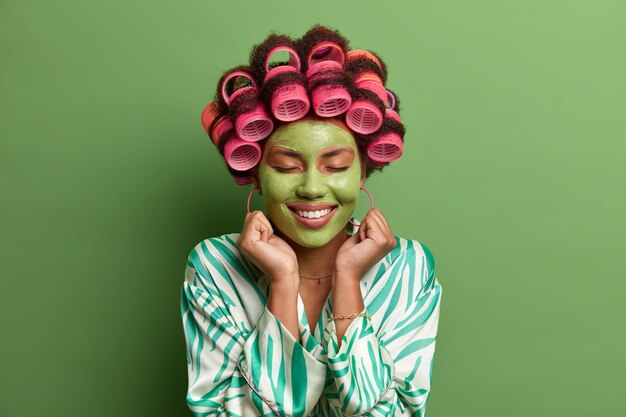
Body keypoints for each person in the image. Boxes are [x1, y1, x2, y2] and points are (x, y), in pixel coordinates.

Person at [180, 25, 443, 417]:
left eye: (336, 165)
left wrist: (348, 282)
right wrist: (283, 285)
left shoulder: (407, 268)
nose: (311, 188)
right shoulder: (215, 267)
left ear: (363, 172)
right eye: (287, 166)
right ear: (255, 173)